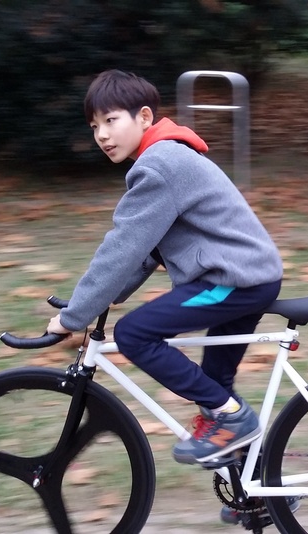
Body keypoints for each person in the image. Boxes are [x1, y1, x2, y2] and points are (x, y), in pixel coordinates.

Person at [46, 69, 284, 465]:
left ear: (143, 117)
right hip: (246, 276)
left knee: (134, 334)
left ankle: (234, 419)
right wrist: (98, 298)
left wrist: (75, 317)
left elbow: (123, 247)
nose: (102, 135)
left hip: (234, 280)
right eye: (94, 126)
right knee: (215, 386)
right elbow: (146, 250)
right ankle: (255, 485)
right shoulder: (166, 156)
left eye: (111, 120)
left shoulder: (159, 165)